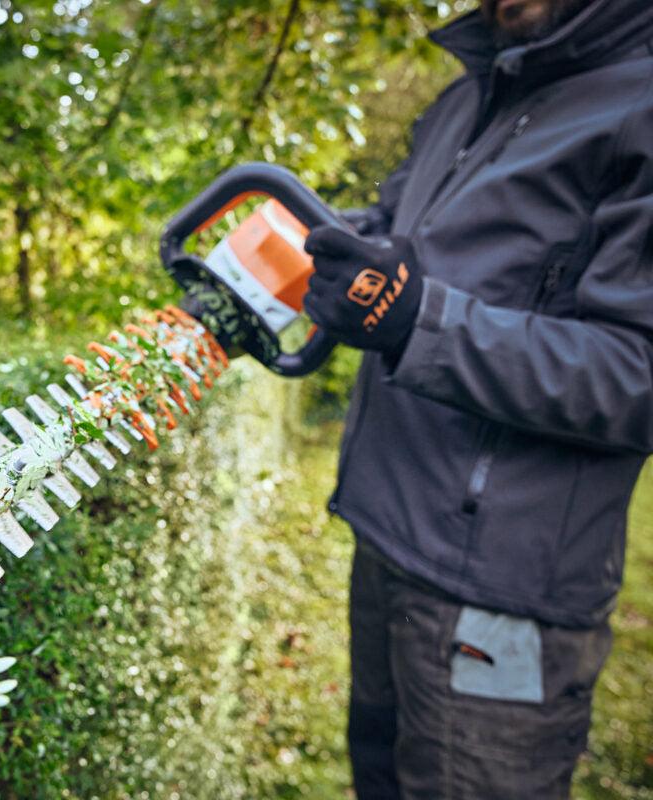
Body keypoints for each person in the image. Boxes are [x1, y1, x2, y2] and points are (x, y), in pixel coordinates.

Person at [210, 0, 653, 797]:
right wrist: (286, 261)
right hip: (386, 534)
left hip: (500, 585)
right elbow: (397, 238)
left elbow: (637, 372)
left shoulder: (639, 107)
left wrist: (420, 320)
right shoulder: (468, 98)